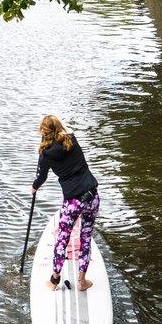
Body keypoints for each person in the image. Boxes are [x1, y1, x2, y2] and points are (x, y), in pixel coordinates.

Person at [30, 115, 100, 292]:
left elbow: (41, 176)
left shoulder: (45, 154)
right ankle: (82, 281)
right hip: (91, 196)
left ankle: (54, 281)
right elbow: (65, 129)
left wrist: (34, 187)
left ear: (43, 133)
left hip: (72, 203)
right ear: (59, 127)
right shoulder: (72, 140)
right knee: (85, 238)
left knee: (62, 240)